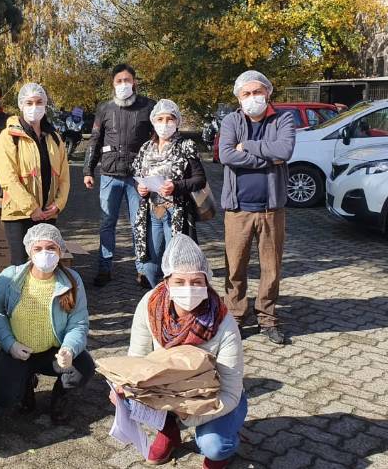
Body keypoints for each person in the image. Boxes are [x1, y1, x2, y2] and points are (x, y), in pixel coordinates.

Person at [119, 234, 245, 468]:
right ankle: (167, 432)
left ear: (207, 282)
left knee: (214, 446)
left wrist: (185, 419)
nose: (189, 289)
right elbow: (135, 360)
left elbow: (231, 392)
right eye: (179, 281)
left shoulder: (222, 319)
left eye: (196, 282)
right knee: (124, 397)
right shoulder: (149, 305)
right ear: (166, 282)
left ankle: (221, 444)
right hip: (168, 390)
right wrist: (123, 387)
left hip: (213, 395)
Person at [0, 224, 93, 424]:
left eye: (51, 248)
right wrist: (10, 344)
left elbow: (78, 323)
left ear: (60, 250)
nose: (45, 253)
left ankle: (61, 397)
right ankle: (25, 383)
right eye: (38, 248)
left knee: (83, 368)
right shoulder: (11, 277)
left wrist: (69, 349)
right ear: (29, 251)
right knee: (4, 397)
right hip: (18, 351)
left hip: (53, 351)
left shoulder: (72, 280)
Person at [218, 70, 295, 345]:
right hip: (238, 210)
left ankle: (267, 317)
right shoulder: (231, 120)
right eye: (246, 94)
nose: (253, 98)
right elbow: (225, 154)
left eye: (257, 92)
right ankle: (236, 317)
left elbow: (284, 151)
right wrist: (266, 157)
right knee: (235, 267)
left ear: (268, 93)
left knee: (271, 268)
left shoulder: (283, 118)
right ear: (239, 98)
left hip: (271, 209)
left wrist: (247, 146)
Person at [83, 63, 156, 288]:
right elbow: (95, 139)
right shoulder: (105, 109)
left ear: (134, 82)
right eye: (119, 81)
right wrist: (88, 169)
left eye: (127, 80)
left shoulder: (148, 106)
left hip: (138, 176)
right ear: (113, 84)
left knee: (139, 224)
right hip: (109, 175)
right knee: (107, 223)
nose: (123, 84)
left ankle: (142, 270)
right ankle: (105, 268)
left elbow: (158, 139)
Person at [132, 99, 207, 288]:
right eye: (160, 119)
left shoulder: (186, 145)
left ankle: (175, 296)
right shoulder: (146, 148)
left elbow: (199, 179)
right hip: (151, 212)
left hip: (176, 212)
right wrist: (139, 188)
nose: (164, 124)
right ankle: (152, 295)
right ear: (153, 121)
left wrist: (176, 185)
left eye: (169, 119)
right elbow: (138, 177)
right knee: (151, 255)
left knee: (176, 256)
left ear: (177, 121)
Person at [0, 83, 70, 266]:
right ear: (21, 105)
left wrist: (58, 205)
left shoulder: (54, 137)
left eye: (39, 102)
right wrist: (31, 208)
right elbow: (8, 178)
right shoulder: (8, 136)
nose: (34, 107)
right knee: (21, 266)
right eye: (29, 102)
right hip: (18, 214)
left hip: (47, 213)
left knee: (45, 265)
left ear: (45, 105)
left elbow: (65, 177)